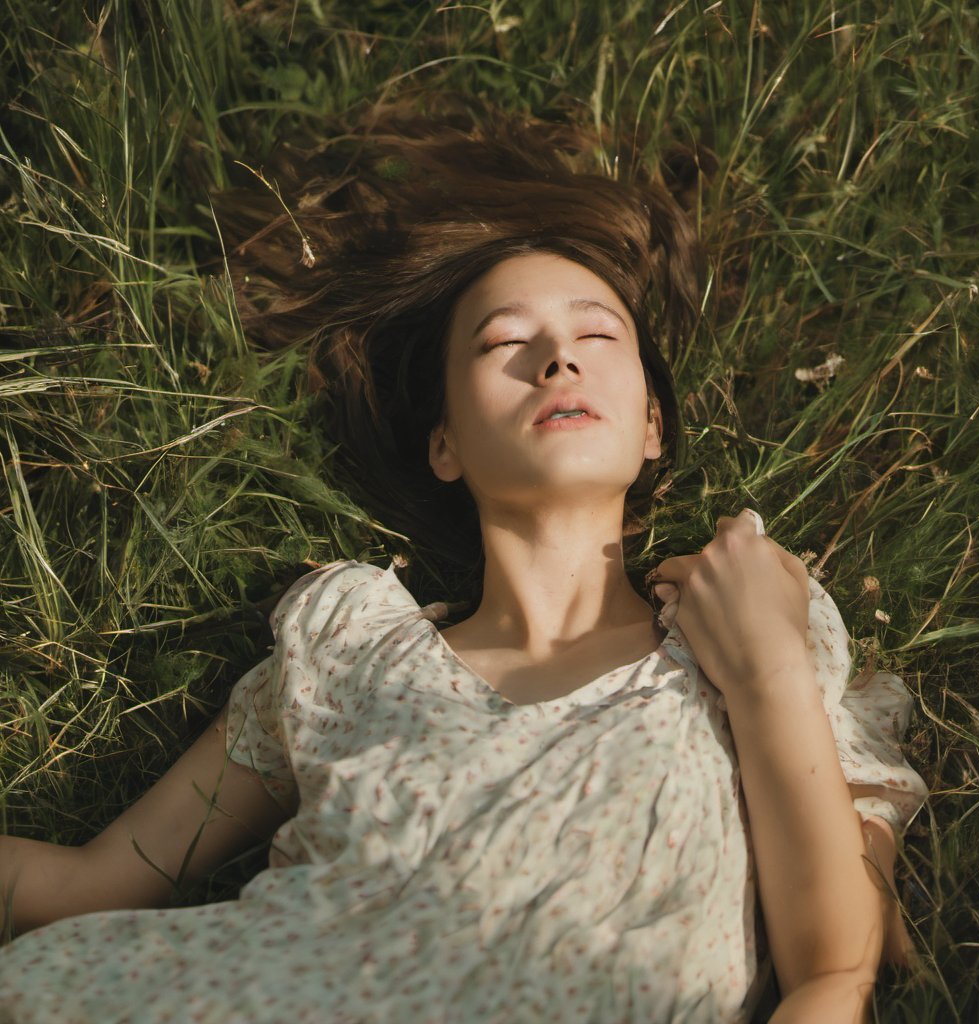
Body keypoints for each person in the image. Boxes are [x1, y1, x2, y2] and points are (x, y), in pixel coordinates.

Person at [0, 99, 927, 1023]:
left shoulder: (739, 636)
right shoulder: (348, 649)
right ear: (445, 443)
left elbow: (835, 970)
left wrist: (767, 668)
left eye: (598, 335)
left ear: (652, 424)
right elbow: (92, 884)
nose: (558, 357)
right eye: (504, 342)